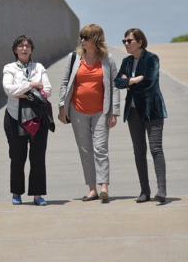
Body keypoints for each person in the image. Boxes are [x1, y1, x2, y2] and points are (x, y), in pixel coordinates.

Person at [57, 24, 120, 204]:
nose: (82, 40)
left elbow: (115, 86)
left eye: (86, 37)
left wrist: (114, 112)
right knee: (85, 150)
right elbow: (64, 83)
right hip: (77, 111)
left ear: (96, 40)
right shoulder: (74, 58)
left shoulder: (108, 60)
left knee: (101, 149)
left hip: (101, 111)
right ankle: (92, 189)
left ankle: (104, 187)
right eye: (81, 37)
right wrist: (62, 106)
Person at [114, 28, 168, 203]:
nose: (126, 44)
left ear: (140, 42)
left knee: (156, 149)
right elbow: (117, 82)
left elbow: (149, 82)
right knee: (139, 151)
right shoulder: (126, 61)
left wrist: (129, 81)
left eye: (129, 41)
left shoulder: (152, 59)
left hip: (152, 110)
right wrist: (133, 80)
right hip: (133, 112)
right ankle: (144, 190)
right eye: (124, 41)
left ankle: (161, 190)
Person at [2, 35, 53, 206]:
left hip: (38, 117)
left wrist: (23, 91)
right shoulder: (9, 68)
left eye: (28, 46)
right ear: (15, 49)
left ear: (31, 49)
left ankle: (38, 194)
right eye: (21, 46)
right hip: (14, 116)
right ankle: (17, 193)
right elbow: (9, 89)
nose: (24, 49)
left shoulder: (39, 67)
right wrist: (32, 85)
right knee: (17, 156)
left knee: (38, 156)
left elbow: (47, 89)